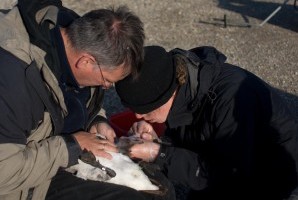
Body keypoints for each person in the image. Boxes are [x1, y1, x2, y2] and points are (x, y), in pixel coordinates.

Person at [0, 0, 153, 199]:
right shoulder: (12, 80)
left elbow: (71, 95)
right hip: (19, 180)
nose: (106, 87)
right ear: (86, 61)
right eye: (106, 80)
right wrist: (70, 147)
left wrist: (95, 120)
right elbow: (4, 172)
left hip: (50, 156)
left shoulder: (71, 36)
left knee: (155, 184)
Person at [115, 45, 298, 200]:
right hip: (222, 159)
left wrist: (158, 154)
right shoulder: (187, 86)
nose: (138, 115)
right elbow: (191, 137)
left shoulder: (233, 101)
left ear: (168, 94)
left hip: (266, 173)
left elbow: (227, 175)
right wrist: (158, 141)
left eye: (145, 108)